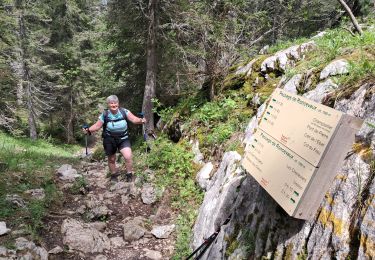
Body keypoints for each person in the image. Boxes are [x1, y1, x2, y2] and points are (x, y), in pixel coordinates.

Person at [83, 95, 146, 182]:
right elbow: (97, 126)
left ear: (118, 103)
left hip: (123, 138)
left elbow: (134, 119)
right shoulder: (105, 114)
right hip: (109, 139)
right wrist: (88, 130)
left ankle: (129, 174)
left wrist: (140, 120)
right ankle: (113, 175)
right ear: (108, 104)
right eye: (111, 103)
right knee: (111, 159)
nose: (114, 105)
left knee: (128, 156)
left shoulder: (124, 111)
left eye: (115, 103)